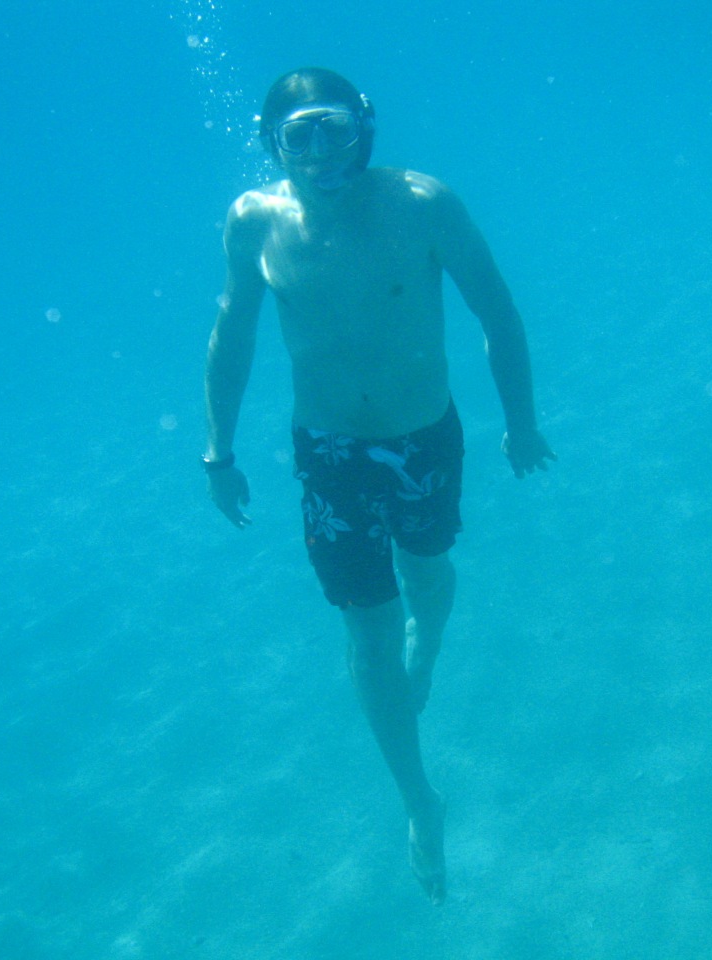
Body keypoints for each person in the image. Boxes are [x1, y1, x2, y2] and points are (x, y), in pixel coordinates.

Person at [203, 67, 555, 905]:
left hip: (423, 438)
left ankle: (426, 646)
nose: (320, 150)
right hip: (329, 454)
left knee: (426, 573)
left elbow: (497, 311)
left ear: (364, 125)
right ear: (272, 145)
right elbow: (232, 334)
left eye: (333, 127)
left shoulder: (423, 205)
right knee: (366, 632)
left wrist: (521, 421)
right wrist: (218, 451)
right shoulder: (254, 221)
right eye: (299, 135)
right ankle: (419, 800)